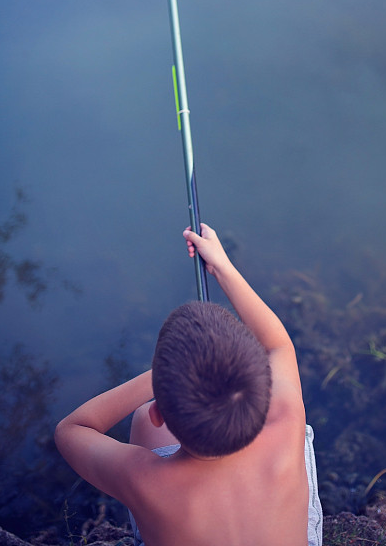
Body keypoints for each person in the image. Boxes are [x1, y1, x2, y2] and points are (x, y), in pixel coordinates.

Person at [55, 223, 323, 546]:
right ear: (262, 393)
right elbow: (278, 345)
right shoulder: (286, 417)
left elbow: (70, 430)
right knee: (298, 434)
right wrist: (222, 267)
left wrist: (160, 376)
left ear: (160, 412)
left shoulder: (147, 482)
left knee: (139, 421)